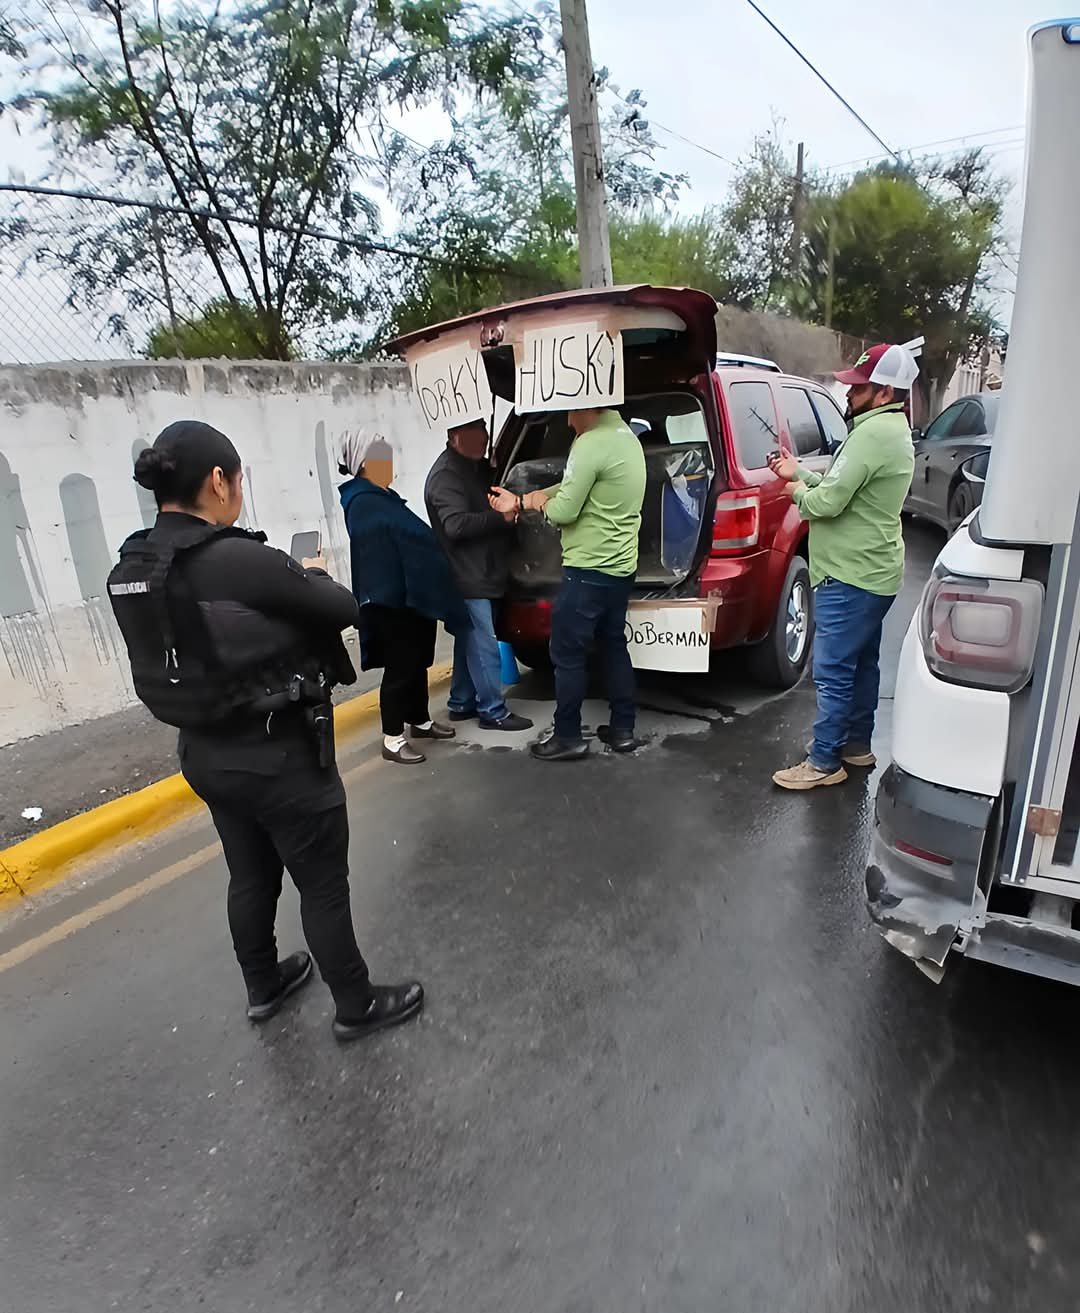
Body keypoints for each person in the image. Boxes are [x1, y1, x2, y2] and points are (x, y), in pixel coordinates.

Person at [107, 420, 423, 1041]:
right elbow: (341, 608)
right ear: (219, 481)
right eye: (238, 477)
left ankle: (262, 985)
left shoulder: (137, 562)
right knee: (322, 884)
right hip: (280, 755)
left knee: (250, 873)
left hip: (205, 753)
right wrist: (311, 572)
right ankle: (356, 1005)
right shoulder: (236, 558)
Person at [769, 343, 919, 791]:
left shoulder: (872, 434)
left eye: (859, 387)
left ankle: (823, 761)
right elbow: (844, 485)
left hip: (850, 576)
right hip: (875, 574)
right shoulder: (888, 431)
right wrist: (801, 473)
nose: (849, 393)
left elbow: (829, 502)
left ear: (885, 392)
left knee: (832, 670)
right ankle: (856, 745)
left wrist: (795, 492)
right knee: (862, 665)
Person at [492, 406, 646, 762]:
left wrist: (538, 505)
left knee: (567, 653)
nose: (565, 417)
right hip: (621, 568)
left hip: (587, 570)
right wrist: (525, 499)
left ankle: (568, 736)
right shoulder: (626, 438)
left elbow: (564, 510)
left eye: (569, 408)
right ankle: (623, 730)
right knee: (613, 645)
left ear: (587, 405)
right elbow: (574, 485)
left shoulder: (589, 444)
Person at [337, 431, 463, 765]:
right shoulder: (363, 502)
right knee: (399, 669)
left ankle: (419, 720)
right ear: (364, 464)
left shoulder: (382, 497)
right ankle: (393, 737)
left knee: (419, 660)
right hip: (389, 600)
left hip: (410, 596)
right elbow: (391, 545)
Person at [424, 419, 533, 733]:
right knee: (483, 643)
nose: (483, 438)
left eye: (485, 431)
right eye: (477, 433)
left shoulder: (469, 467)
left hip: (482, 570)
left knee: (470, 639)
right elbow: (455, 525)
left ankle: (461, 701)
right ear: (455, 437)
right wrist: (500, 518)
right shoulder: (446, 475)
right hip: (467, 575)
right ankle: (493, 711)